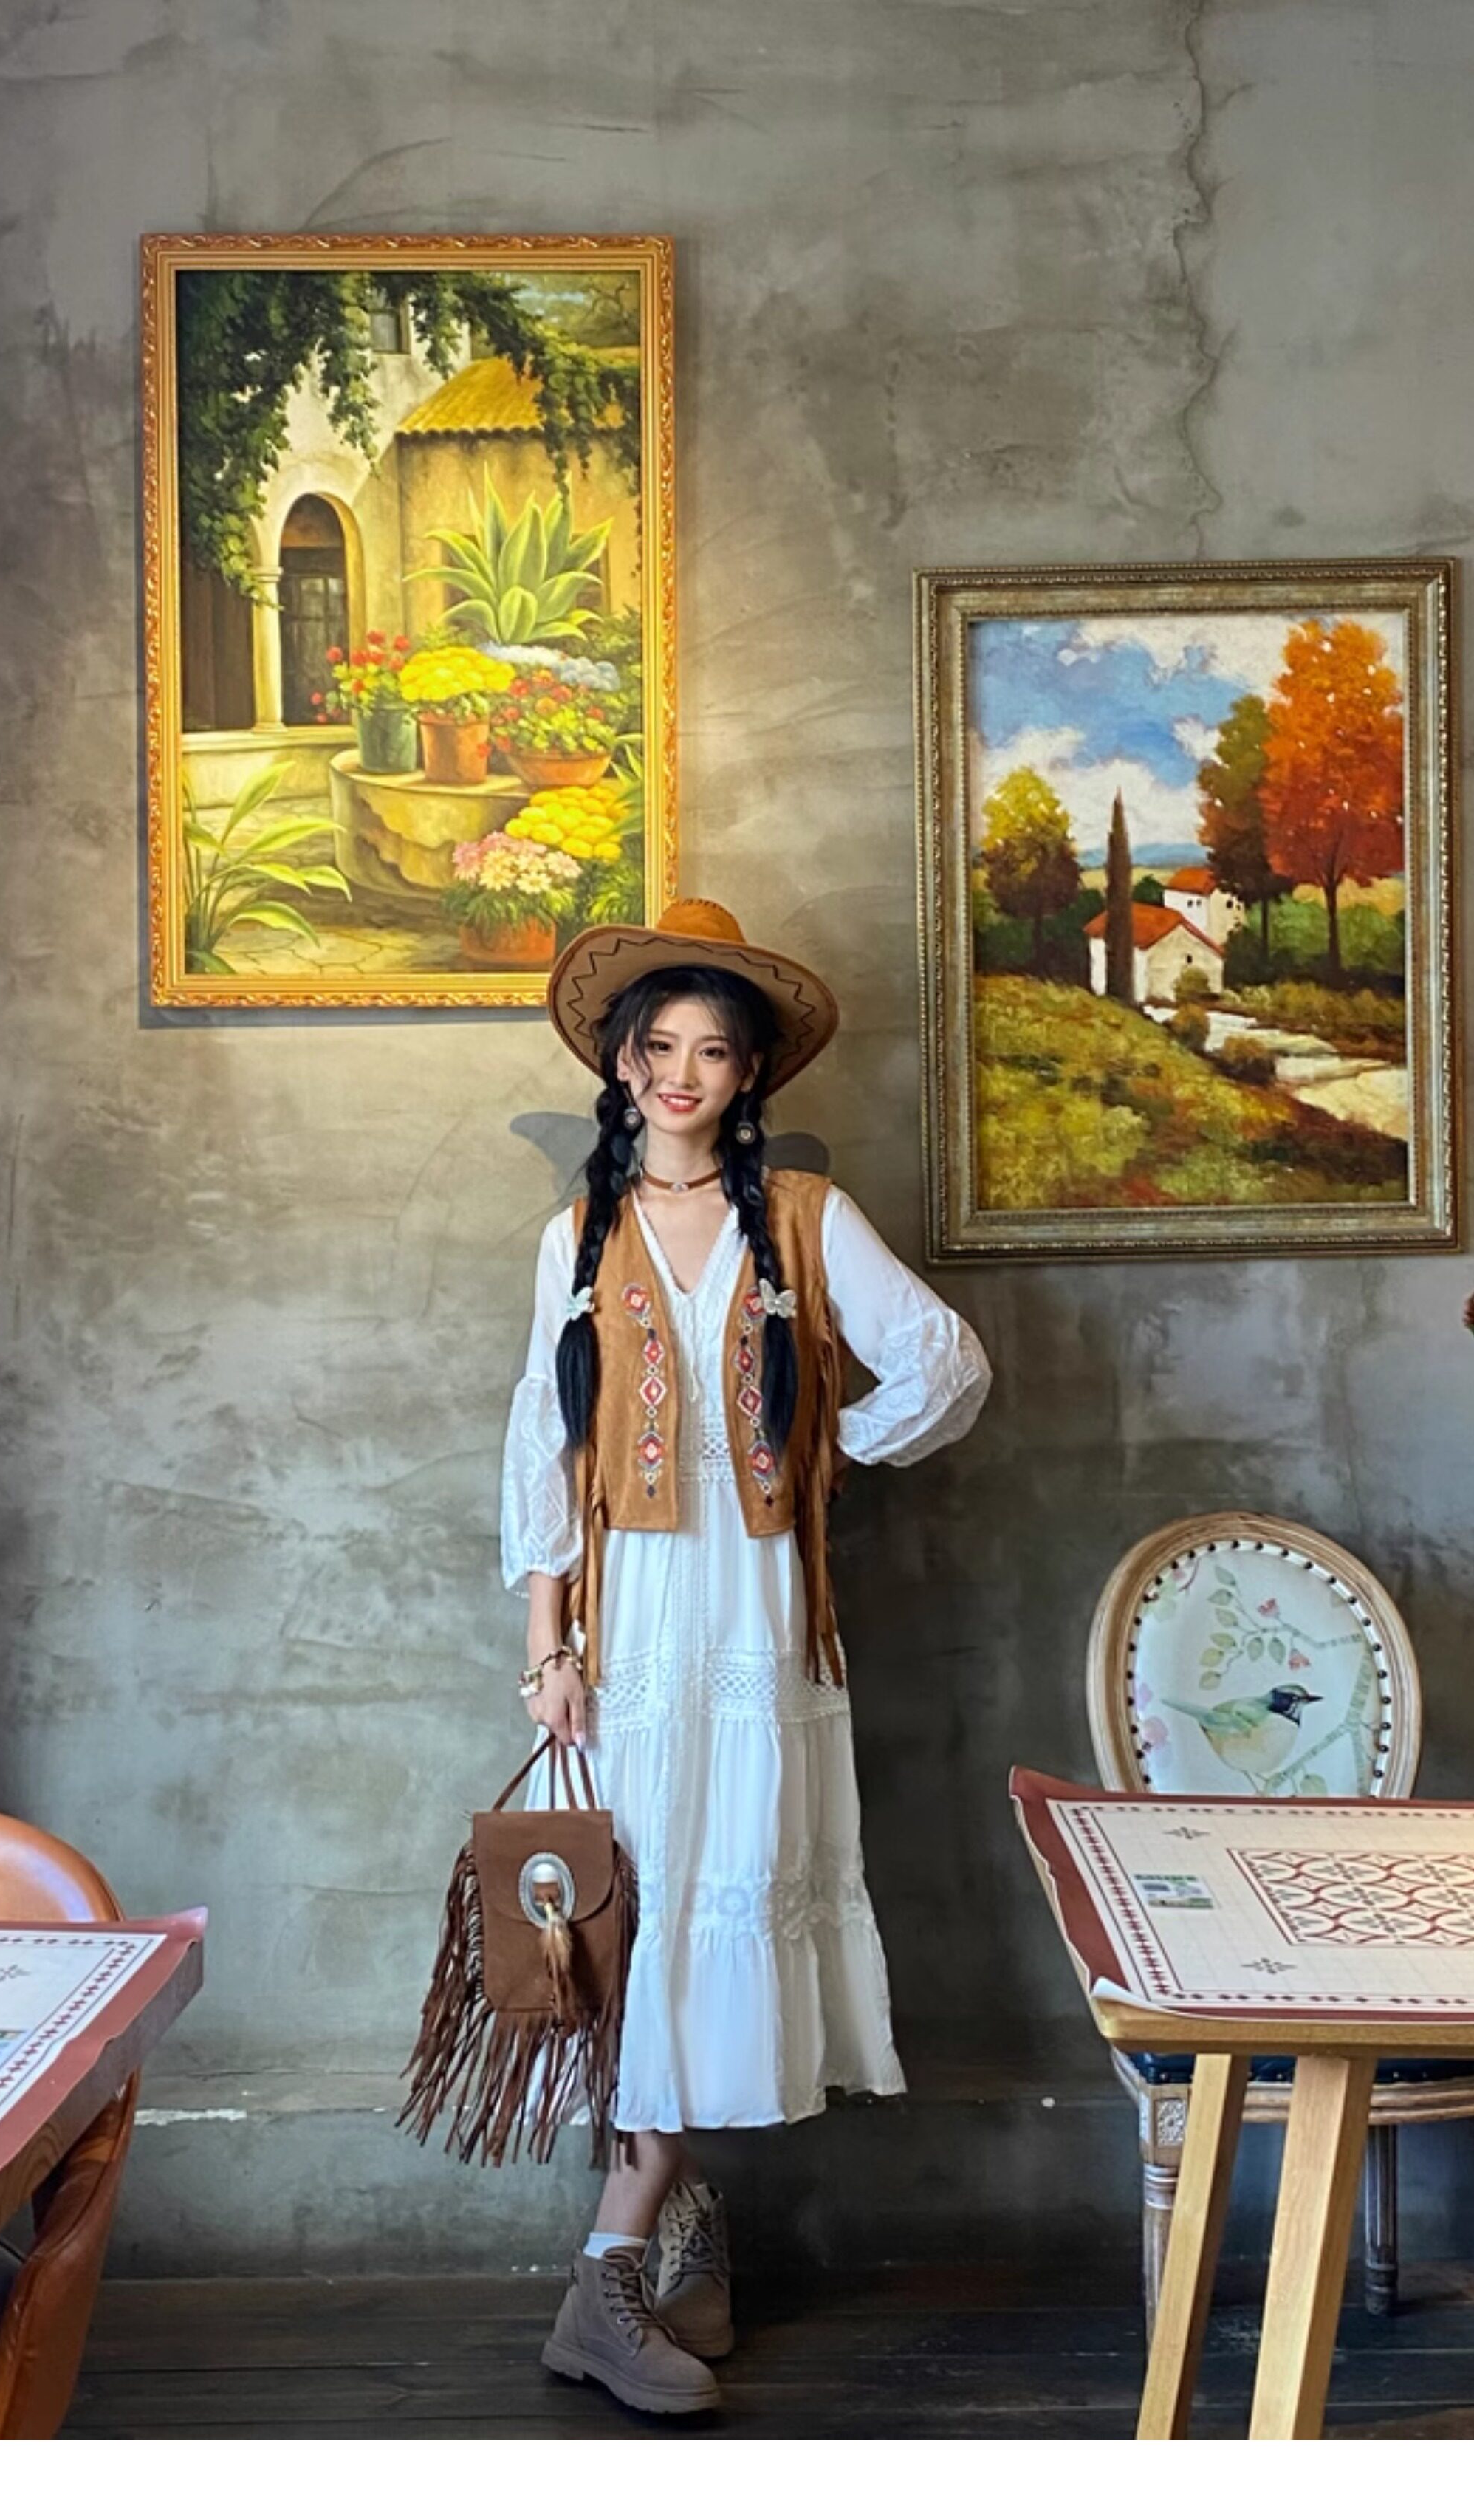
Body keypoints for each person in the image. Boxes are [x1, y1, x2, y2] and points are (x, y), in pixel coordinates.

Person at [502, 898, 991, 2415]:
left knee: (712, 1895)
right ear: (622, 1064)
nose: (681, 1075)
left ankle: (660, 2236)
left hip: (758, 1617)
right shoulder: (577, 1237)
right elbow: (543, 1449)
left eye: (712, 1051)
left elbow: (946, 1361)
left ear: (750, 1071)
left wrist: (824, 1448)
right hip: (632, 1626)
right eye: (658, 1048)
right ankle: (623, 2266)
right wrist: (545, 1649)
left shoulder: (804, 1216)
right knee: (634, 1925)